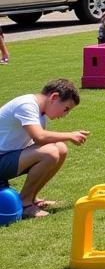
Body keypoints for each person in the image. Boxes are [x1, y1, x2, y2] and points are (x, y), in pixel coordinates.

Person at [0, 78, 87, 218]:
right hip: (2, 159)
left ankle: (32, 197)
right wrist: (70, 135)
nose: (64, 115)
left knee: (61, 149)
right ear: (54, 97)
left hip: (6, 158)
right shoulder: (26, 105)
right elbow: (40, 137)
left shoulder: (40, 114)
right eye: (66, 109)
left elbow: (39, 142)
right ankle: (25, 203)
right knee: (51, 152)